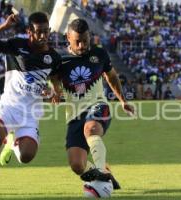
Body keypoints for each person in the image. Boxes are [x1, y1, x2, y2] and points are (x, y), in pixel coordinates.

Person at [0, 11, 61, 196]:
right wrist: (5, 27)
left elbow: (55, 78)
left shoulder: (53, 57)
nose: (43, 36)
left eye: (46, 31)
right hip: (9, 106)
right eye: (39, 32)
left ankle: (11, 143)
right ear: (29, 31)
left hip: (30, 113)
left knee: (26, 156)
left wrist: (56, 92)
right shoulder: (17, 46)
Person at [50, 19, 134, 190]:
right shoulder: (59, 59)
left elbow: (111, 76)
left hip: (98, 106)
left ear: (90, 37)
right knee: (77, 165)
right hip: (74, 115)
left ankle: (101, 175)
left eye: (85, 41)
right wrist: (56, 91)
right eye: (77, 42)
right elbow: (54, 78)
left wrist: (123, 100)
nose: (82, 46)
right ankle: (106, 172)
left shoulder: (99, 54)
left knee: (91, 129)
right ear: (68, 38)